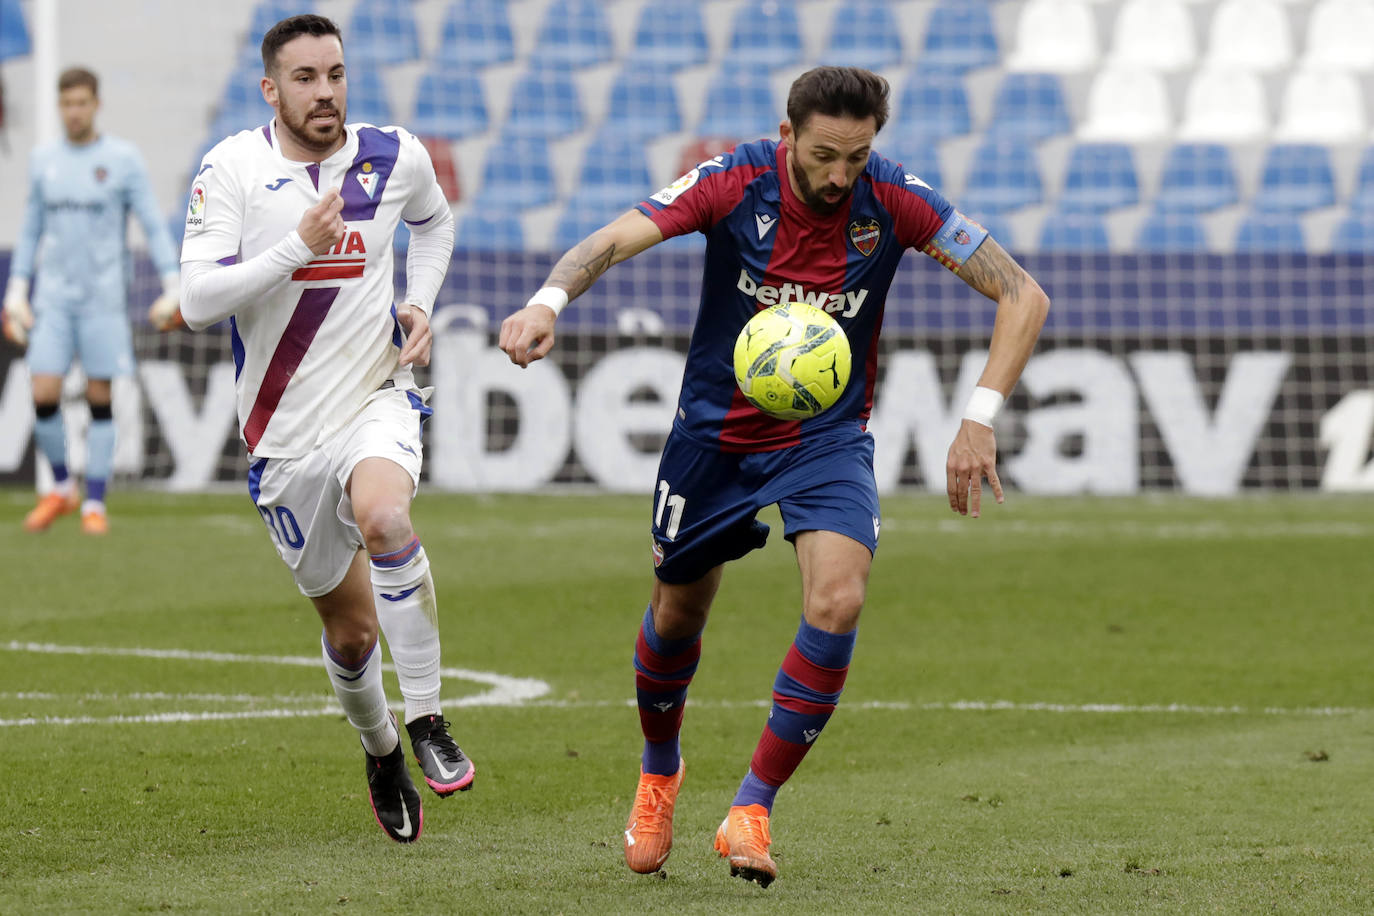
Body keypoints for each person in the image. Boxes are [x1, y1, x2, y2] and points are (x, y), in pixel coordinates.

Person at [500, 66, 1050, 886]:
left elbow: (1021, 293)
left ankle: (752, 809)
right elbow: (612, 239)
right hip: (714, 438)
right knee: (679, 615)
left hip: (825, 438)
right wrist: (548, 300)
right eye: (825, 155)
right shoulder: (734, 180)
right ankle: (659, 774)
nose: (840, 176)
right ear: (788, 135)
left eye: (856, 158)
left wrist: (978, 417)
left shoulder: (895, 199)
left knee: (839, 597)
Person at [171, 14, 468, 843]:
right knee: (350, 629)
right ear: (271, 89)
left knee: (387, 517)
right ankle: (381, 751)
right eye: (305, 78)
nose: (326, 91)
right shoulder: (232, 168)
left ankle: (430, 720)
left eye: (335, 73)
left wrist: (420, 301)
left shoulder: (390, 154)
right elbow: (196, 302)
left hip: (378, 392)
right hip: (284, 437)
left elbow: (436, 222)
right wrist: (294, 251)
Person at [1, 67, 180, 535]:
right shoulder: (44, 161)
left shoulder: (121, 160)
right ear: (60, 107)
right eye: (66, 103)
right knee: (42, 393)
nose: (74, 111)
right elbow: (31, 228)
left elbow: (151, 222)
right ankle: (62, 488)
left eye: (81, 102)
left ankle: (94, 503)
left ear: (96, 104)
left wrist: (172, 282)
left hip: (103, 299)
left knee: (100, 397)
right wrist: (18, 289)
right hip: (55, 298)